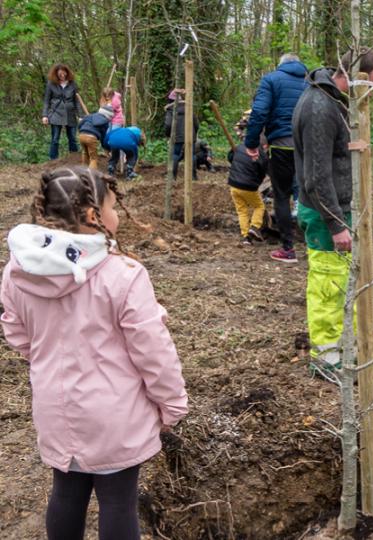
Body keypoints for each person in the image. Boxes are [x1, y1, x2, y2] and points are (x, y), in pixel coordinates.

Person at [0, 166, 188, 539]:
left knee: (66, 494)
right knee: (119, 501)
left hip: (55, 408)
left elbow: (15, 330)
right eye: (113, 207)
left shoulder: (18, 271)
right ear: (92, 216)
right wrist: (173, 403)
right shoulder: (124, 274)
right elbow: (153, 350)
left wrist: (44, 358)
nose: (117, 215)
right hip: (115, 415)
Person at [293, 48, 373, 369]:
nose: (372, 92)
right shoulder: (320, 108)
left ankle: (343, 347)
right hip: (322, 213)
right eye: (371, 83)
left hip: (332, 208)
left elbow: (327, 154)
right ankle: (327, 357)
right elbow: (316, 176)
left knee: (340, 282)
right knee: (328, 285)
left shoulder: (329, 101)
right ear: (358, 75)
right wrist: (335, 224)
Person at [245, 53, 309, 263]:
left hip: (281, 144)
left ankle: (288, 249)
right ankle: (314, 246)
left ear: (280, 65)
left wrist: (252, 143)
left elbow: (260, 112)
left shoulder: (271, 80)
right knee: (309, 194)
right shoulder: (310, 82)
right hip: (306, 146)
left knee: (281, 196)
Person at [227, 135, 268, 245]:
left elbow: (230, 157)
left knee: (242, 210)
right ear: (264, 145)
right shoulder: (261, 154)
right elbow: (262, 173)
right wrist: (257, 184)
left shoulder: (240, 146)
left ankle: (246, 237)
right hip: (248, 186)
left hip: (233, 184)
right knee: (259, 206)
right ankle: (254, 227)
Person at [42, 63, 81, 160]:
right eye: (60, 74)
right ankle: (53, 160)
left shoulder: (72, 84)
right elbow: (46, 101)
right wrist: (45, 115)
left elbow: (77, 101)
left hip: (70, 114)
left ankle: (74, 159)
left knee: (72, 138)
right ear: (56, 74)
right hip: (56, 113)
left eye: (64, 74)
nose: (62, 76)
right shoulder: (51, 84)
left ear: (67, 73)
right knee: (55, 139)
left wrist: (80, 116)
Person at [163, 89, 199, 179]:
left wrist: (168, 135)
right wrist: (194, 133)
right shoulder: (189, 107)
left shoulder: (170, 110)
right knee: (192, 154)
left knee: (175, 154)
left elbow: (168, 125)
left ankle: (172, 176)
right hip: (191, 135)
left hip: (177, 136)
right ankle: (193, 176)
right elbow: (196, 123)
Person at [76, 99, 113, 171]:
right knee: (93, 158)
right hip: (91, 138)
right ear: (109, 116)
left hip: (81, 135)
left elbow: (81, 123)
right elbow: (103, 137)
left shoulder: (91, 116)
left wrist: (80, 130)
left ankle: (83, 172)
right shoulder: (105, 122)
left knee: (85, 153)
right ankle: (91, 175)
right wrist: (106, 148)